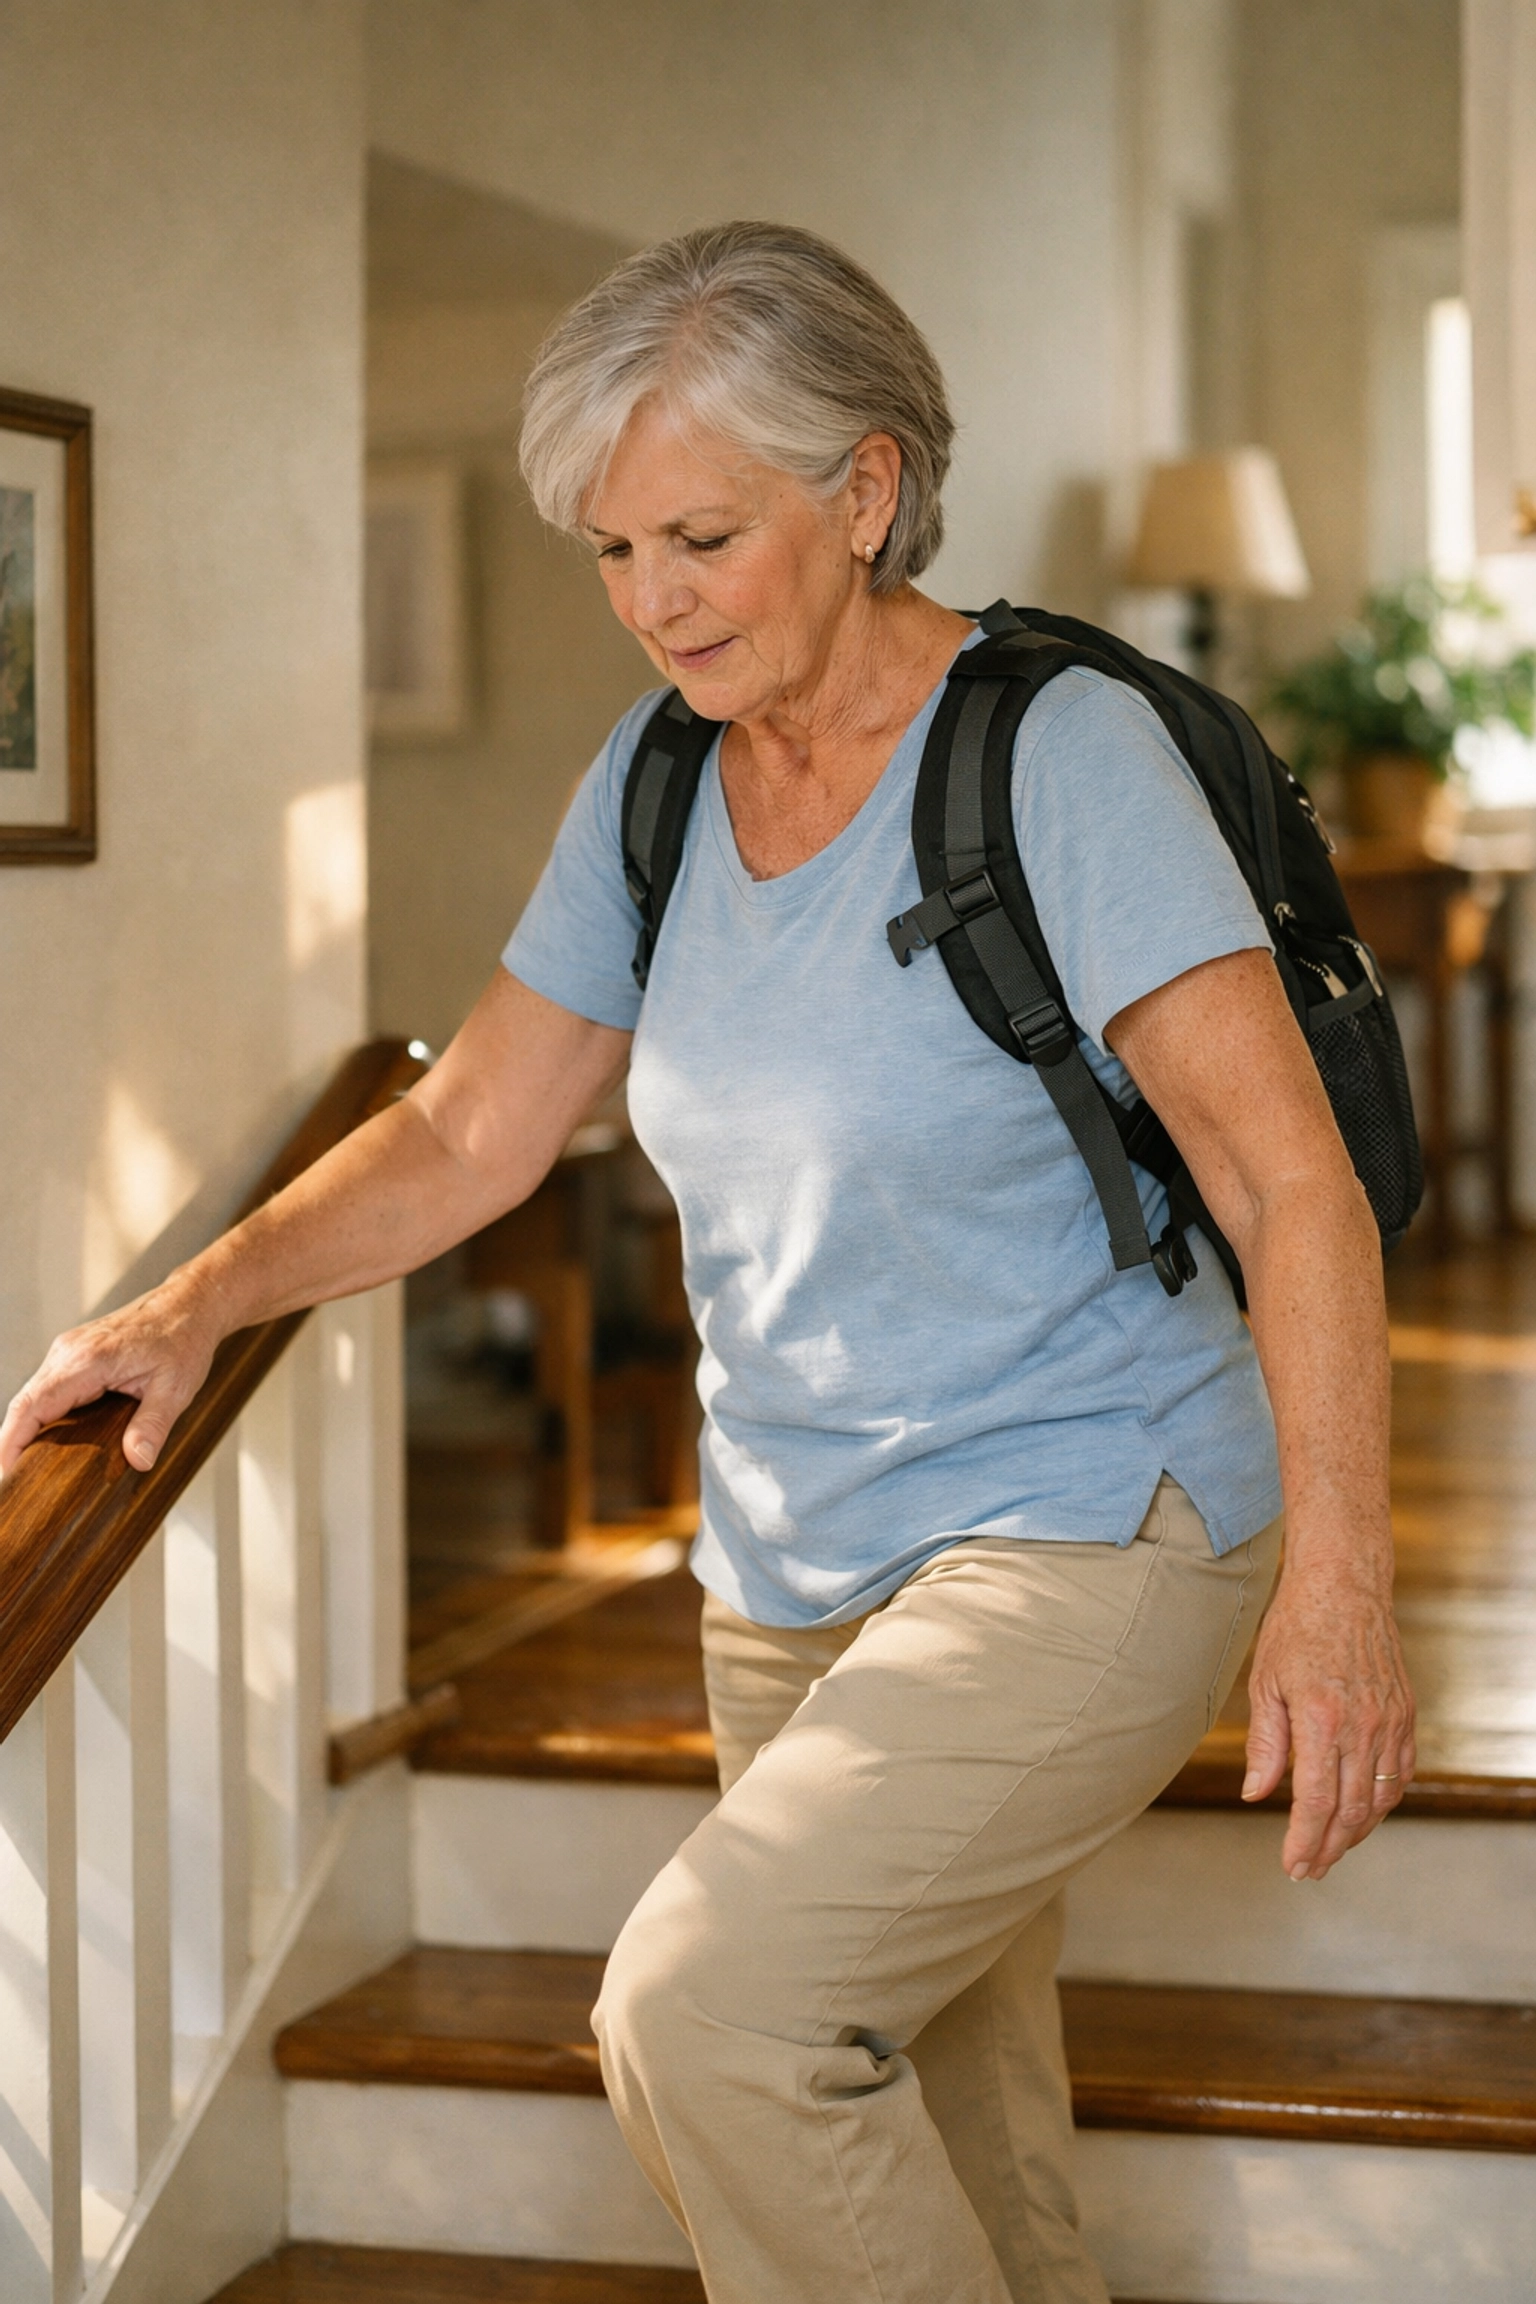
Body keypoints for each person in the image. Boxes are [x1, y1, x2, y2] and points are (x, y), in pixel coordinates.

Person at [1, 222, 1414, 2304]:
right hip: (786, 1561)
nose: (653, 602)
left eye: (701, 535)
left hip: (1099, 1511)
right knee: (952, 2128)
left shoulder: (1057, 755)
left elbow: (1294, 1180)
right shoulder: (659, 779)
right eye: (610, 550)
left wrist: (1346, 1587)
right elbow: (474, 1128)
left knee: (713, 2014)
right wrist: (193, 1303)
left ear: (863, 493)